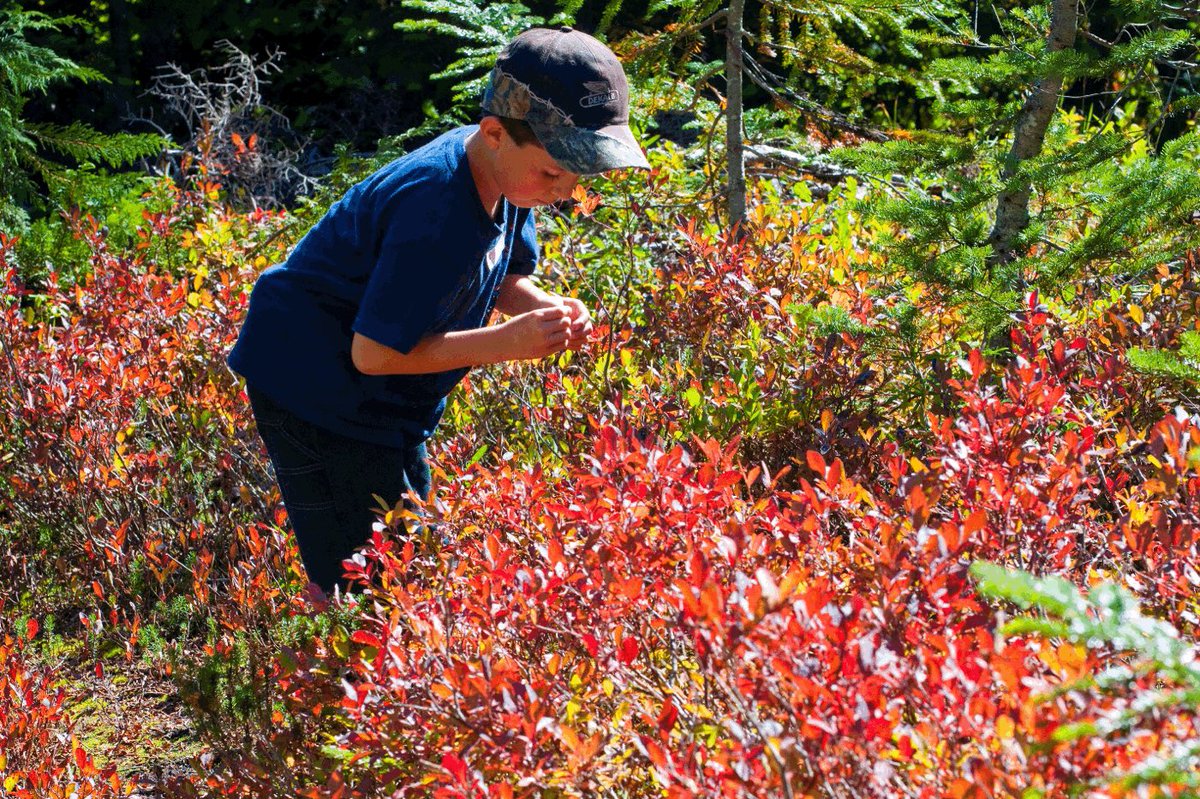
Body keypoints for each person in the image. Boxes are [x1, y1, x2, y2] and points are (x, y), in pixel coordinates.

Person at [227, 26, 649, 594]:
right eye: (554, 171)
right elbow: (374, 354)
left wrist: (544, 308)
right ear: (494, 132)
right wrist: (506, 343)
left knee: (411, 554)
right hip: (314, 388)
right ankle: (329, 644)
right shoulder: (435, 206)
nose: (564, 189)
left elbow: (504, 274)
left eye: (578, 172)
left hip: (386, 399)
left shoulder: (506, 176)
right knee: (363, 575)